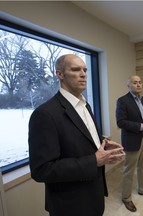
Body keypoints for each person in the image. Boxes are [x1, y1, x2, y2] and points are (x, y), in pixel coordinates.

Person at [28, 54, 125, 216]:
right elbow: (41, 170)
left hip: (94, 194)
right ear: (59, 74)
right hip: (70, 204)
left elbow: (82, 136)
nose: (83, 74)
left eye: (85, 70)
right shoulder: (45, 114)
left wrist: (103, 143)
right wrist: (94, 160)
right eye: (75, 69)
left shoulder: (85, 106)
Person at [116, 75, 143, 212]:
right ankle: (126, 198)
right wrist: (141, 126)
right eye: (135, 83)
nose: (138, 85)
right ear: (128, 85)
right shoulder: (122, 101)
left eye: (140, 82)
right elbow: (120, 122)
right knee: (129, 170)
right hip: (132, 140)